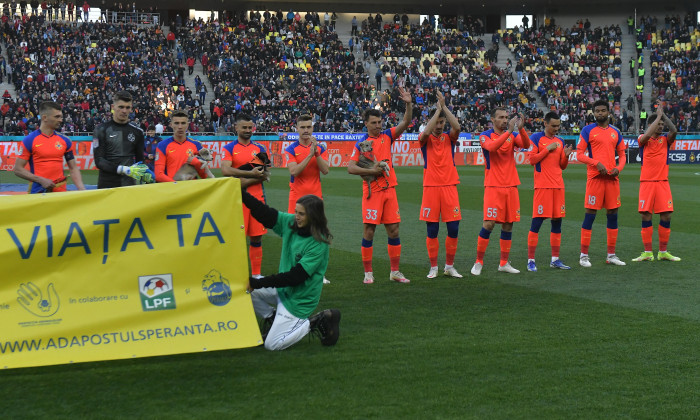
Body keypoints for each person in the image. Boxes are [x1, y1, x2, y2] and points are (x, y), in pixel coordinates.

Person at [243, 191, 340, 350]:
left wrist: (260, 283)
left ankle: (313, 321)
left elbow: (296, 277)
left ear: (313, 216)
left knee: (272, 345)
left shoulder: (318, 243)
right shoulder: (291, 223)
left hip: (299, 300)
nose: (296, 216)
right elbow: (265, 214)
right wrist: (241, 193)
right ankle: (273, 317)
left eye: (301, 214)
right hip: (283, 290)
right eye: (296, 212)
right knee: (244, 288)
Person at [347, 87, 413, 284]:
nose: (377, 125)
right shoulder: (361, 143)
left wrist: (408, 104)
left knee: (394, 230)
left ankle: (395, 271)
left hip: (389, 190)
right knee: (369, 231)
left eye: (379, 122)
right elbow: (350, 168)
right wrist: (371, 171)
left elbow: (406, 122)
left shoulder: (387, 136)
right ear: (366, 124)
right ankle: (368, 273)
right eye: (374, 123)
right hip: (372, 192)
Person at [470, 109, 531, 276]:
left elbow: (526, 145)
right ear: (492, 119)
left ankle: (504, 263)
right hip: (493, 185)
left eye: (506, 118)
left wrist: (522, 129)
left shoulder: (511, 136)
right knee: (489, 223)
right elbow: (491, 148)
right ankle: (478, 261)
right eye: (501, 118)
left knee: (508, 224)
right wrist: (510, 131)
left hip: (511, 185)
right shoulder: (485, 135)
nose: (504, 120)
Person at [576, 99, 627, 267]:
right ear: (593, 112)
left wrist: (618, 168)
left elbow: (623, 155)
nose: (600, 113)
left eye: (603, 110)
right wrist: (595, 163)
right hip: (595, 178)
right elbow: (580, 154)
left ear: (608, 112)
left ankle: (611, 255)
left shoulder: (615, 132)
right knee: (590, 215)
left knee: (613, 214)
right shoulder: (587, 130)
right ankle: (584, 256)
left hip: (612, 179)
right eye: (597, 111)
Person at [418, 92, 463, 279]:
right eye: (437, 122)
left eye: (441, 123)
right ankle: (434, 267)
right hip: (431, 187)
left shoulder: (449, 139)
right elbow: (426, 133)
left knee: (453, 228)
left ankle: (449, 266)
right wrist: (436, 112)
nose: (438, 126)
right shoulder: (425, 139)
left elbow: (458, 127)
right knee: (432, 229)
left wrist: (443, 108)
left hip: (449, 186)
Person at [221, 114, 269, 279]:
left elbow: (263, 175)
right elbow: (226, 171)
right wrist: (250, 174)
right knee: (237, 239)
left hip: (256, 199)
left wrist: (240, 179)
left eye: (250, 127)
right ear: (236, 128)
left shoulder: (259, 149)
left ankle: (256, 275)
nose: (248, 130)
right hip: (237, 200)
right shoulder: (229, 148)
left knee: (256, 238)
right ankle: (236, 274)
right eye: (244, 127)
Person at [631, 103, 680, 262]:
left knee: (666, 215)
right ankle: (647, 253)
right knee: (646, 215)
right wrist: (657, 117)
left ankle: (663, 252)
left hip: (662, 183)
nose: (660, 126)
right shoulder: (642, 139)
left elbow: (674, 130)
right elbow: (645, 136)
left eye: (661, 125)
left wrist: (663, 116)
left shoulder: (666, 140)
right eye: (657, 124)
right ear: (650, 125)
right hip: (646, 182)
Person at [285, 114, 331, 283]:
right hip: (297, 198)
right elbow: (294, 171)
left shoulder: (321, 149)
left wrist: (316, 153)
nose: (306, 130)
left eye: (308, 127)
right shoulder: (290, 149)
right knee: (296, 236)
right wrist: (309, 155)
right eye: (302, 127)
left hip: (316, 199)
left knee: (317, 236)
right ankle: (295, 271)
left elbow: (325, 170)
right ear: (297, 129)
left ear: (312, 128)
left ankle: (319, 272)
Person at [526, 112, 574, 272]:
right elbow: (531, 160)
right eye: (553, 125)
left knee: (557, 223)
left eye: (558, 126)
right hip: (543, 187)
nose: (556, 128)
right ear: (545, 124)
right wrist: (547, 149)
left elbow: (562, 166)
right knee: (537, 224)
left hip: (558, 186)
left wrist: (566, 157)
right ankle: (531, 260)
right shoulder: (536, 138)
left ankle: (555, 259)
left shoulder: (560, 141)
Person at [13, 101, 86, 193]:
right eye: (57, 117)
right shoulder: (30, 140)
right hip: (38, 193)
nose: (60, 120)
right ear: (44, 118)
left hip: (60, 194)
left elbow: (73, 168)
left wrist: (81, 188)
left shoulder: (65, 140)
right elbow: (18, 169)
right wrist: (40, 180)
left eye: (61, 117)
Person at [93, 91, 153, 188]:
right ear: (113, 107)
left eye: (127, 107)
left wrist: (146, 174)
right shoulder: (101, 130)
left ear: (131, 109)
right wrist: (122, 169)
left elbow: (140, 161)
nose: (124, 111)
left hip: (129, 186)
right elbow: (99, 161)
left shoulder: (138, 132)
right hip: (107, 187)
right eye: (121, 107)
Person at [154, 110, 212, 182]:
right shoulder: (162, 145)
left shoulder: (196, 145)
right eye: (177, 123)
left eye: (183, 123)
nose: (180, 127)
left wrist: (196, 163)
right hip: (173, 190)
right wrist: (177, 185)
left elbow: (204, 176)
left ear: (187, 125)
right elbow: (158, 175)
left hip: (191, 190)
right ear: (171, 124)